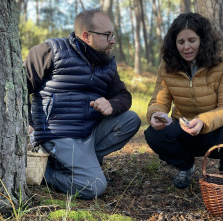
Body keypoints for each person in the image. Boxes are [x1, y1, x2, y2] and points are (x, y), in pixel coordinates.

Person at [24, 9, 141, 199]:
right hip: (57, 136)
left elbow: (123, 95)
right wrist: (28, 121)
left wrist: (112, 104)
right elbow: (18, 87)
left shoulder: (108, 63)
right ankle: (42, 173)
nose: (113, 40)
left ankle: (78, 164)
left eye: (113, 35)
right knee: (94, 187)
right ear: (86, 36)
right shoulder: (50, 51)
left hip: (88, 135)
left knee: (131, 119)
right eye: (107, 35)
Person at [144, 12, 223, 189]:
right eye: (181, 42)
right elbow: (159, 100)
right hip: (184, 128)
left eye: (192, 40)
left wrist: (203, 121)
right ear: (174, 43)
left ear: (203, 39)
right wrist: (156, 113)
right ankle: (186, 167)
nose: (186, 47)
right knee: (153, 134)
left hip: (217, 130)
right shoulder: (167, 65)